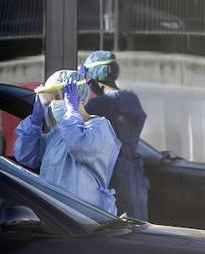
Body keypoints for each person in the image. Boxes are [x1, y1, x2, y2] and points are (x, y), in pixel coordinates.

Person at [15, 68, 121, 214]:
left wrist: (72, 112)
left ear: (77, 97)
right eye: (50, 99)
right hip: (57, 215)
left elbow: (80, 146)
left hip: (87, 217)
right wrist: (34, 122)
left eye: (57, 97)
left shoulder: (100, 127)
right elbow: (26, 156)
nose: (53, 104)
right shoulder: (58, 133)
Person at [82, 50, 150, 221]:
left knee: (119, 226)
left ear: (94, 80)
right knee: (139, 225)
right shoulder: (132, 99)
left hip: (114, 175)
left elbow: (76, 121)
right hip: (135, 174)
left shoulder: (99, 104)